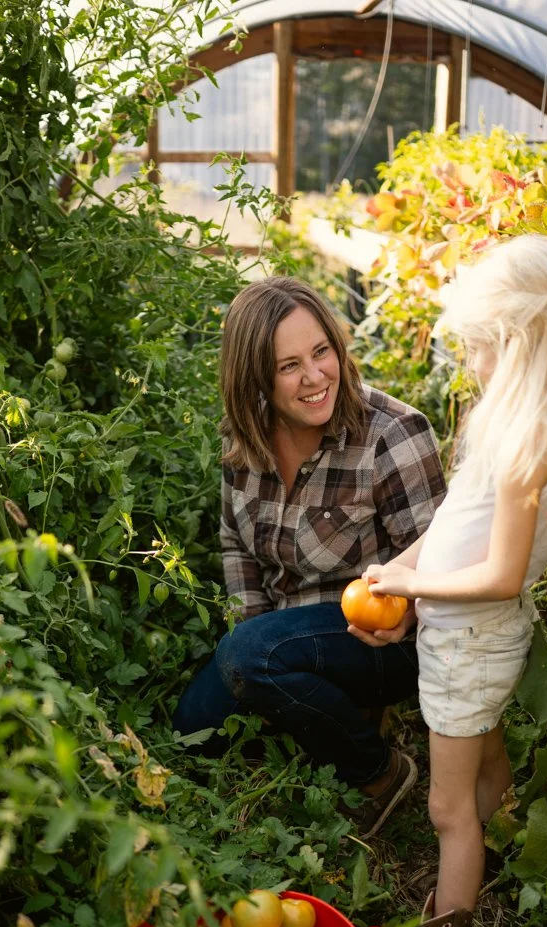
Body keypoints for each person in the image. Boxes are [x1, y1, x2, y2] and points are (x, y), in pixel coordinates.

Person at [364, 235, 547, 927]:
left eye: (476, 348)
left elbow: (499, 574)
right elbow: (453, 530)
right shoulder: (511, 434)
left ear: (512, 342)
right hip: (473, 639)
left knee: (448, 810)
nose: (470, 364)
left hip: (469, 644)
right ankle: (480, 857)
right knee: (485, 760)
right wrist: (402, 570)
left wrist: (410, 582)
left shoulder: (523, 452)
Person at [173, 276, 446, 834]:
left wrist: (405, 614)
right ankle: (292, 691)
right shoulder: (244, 439)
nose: (315, 376)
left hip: (381, 640)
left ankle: (380, 772)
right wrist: (257, 638)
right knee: (189, 733)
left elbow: (440, 557)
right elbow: (234, 541)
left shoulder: (392, 435)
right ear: (257, 379)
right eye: (288, 365)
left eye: (321, 352)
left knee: (251, 658)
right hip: (281, 635)